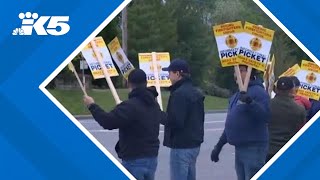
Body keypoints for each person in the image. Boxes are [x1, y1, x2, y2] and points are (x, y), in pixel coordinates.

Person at [83, 69, 161, 180]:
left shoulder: (130, 106)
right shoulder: (154, 104)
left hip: (134, 159)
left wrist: (92, 105)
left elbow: (108, 122)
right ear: (146, 83)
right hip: (151, 157)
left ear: (129, 84)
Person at [211, 65, 270, 180]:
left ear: (251, 73)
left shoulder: (259, 92)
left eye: (241, 71)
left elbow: (265, 116)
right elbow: (231, 123)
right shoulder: (237, 95)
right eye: (235, 71)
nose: (236, 74)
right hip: (239, 148)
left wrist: (250, 102)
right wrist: (219, 146)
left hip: (254, 148)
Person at [161, 59, 205, 180]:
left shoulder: (179, 94)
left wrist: (161, 116)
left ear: (178, 74)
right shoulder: (196, 92)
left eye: (170, 72)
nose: (168, 75)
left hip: (181, 145)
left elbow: (176, 121)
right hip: (194, 143)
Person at [266, 77, 306, 162]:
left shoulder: (267, 105)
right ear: (292, 90)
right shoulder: (299, 109)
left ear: (276, 89)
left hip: (269, 149)